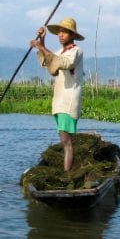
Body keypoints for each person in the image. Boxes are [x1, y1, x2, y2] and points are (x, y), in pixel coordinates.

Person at [30, 17, 84, 172]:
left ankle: (66, 175)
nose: (61, 35)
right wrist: (42, 40)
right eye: (59, 32)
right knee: (64, 139)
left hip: (69, 100)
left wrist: (41, 46)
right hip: (60, 100)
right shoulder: (60, 51)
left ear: (72, 35)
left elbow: (63, 63)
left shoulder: (76, 52)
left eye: (65, 32)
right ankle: (67, 171)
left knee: (66, 142)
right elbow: (50, 63)